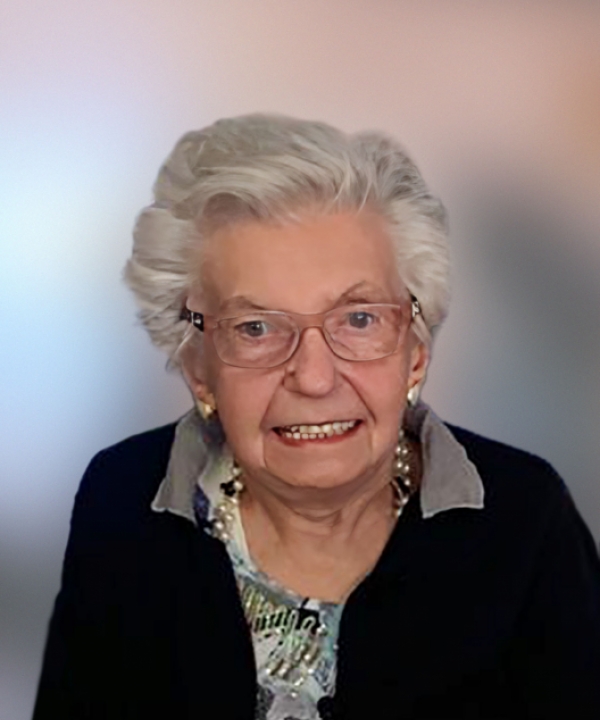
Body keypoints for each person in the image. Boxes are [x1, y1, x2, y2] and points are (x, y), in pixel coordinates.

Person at [34, 114, 600, 720]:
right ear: (199, 368)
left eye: (358, 319)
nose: (314, 377)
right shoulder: (122, 499)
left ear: (415, 353)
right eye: (256, 328)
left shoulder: (526, 519)